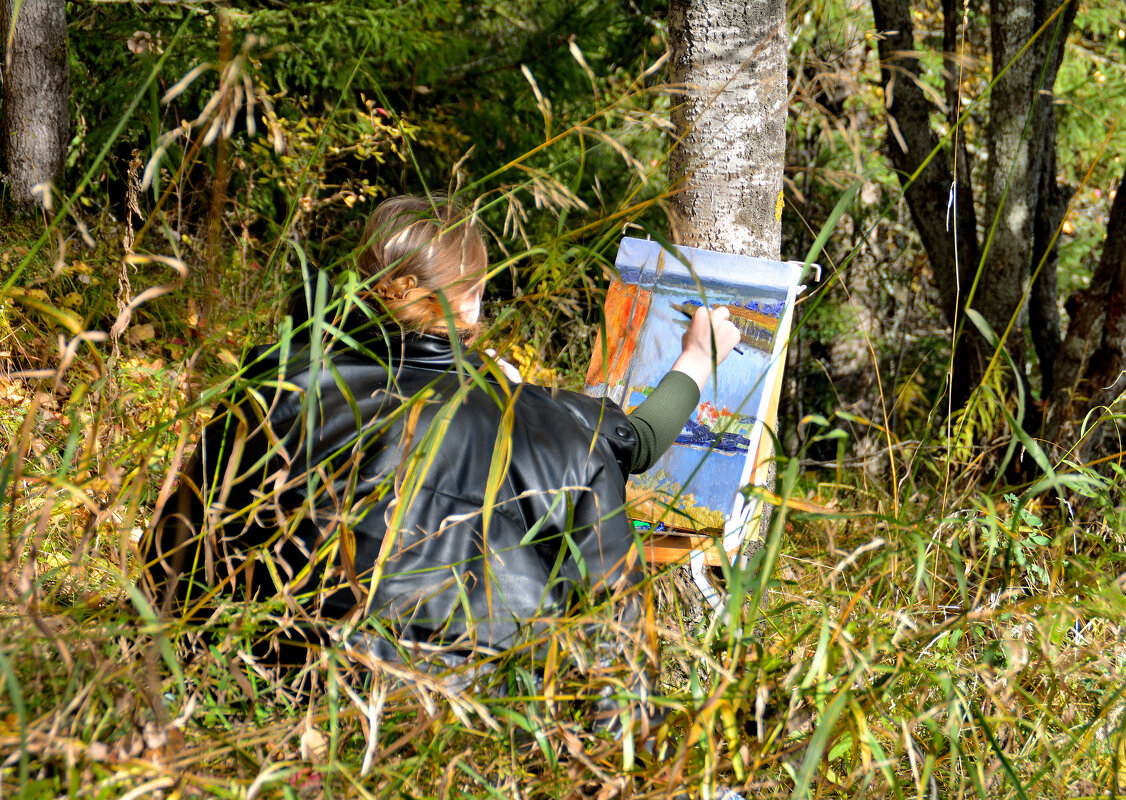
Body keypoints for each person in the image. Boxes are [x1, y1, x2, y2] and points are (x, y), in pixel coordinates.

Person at [140, 194, 740, 678]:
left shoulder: (273, 388)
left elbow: (170, 557)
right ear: (472, 303)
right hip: (466, 717)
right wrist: (695, 359)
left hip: (261, 681)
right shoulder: (551, 423)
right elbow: (636, 442)